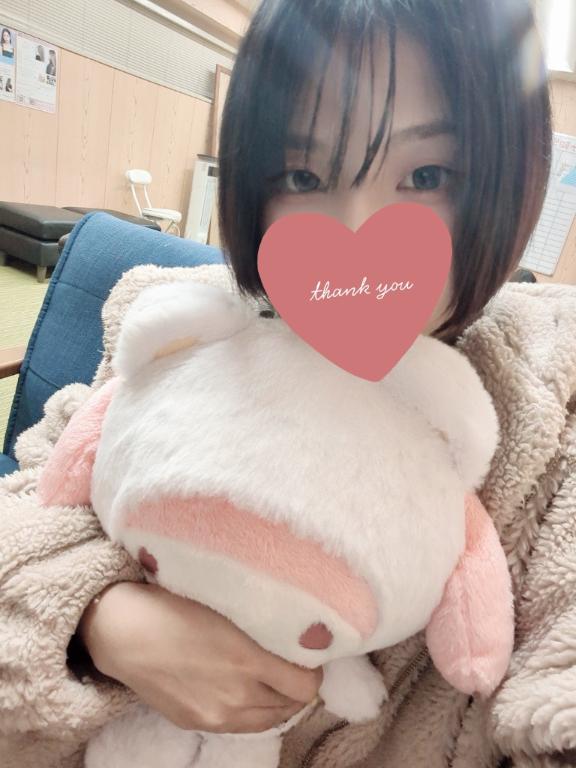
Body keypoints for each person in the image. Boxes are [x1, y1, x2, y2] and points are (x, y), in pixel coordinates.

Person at [3, 1, 576, 766]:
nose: (355, 231)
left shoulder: (549, 411)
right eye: (304, 175)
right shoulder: (176, 328)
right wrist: (95, 621)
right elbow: (27, 504)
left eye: (427, 175)